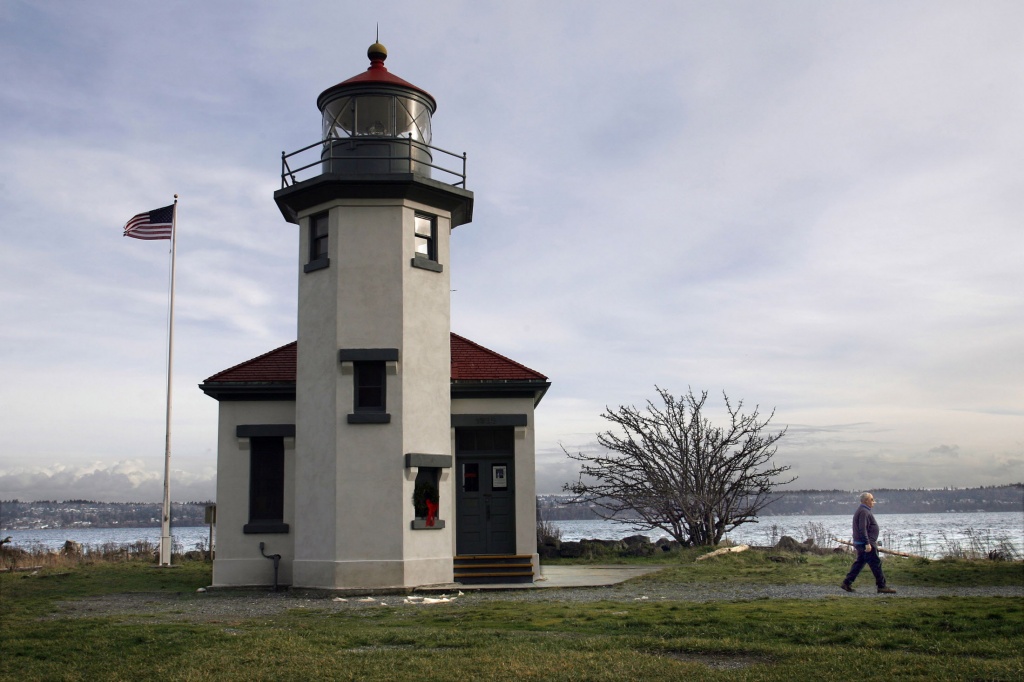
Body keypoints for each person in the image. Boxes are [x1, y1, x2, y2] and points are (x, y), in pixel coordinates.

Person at [840, 492, 896, 594]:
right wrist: (867, 543)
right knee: (876, 563)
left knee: (859, 563)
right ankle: (881, 586)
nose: (873, 502)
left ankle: (846, 583)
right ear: (866, 501)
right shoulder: (864, 512)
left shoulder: (863, 511)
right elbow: (862, 528)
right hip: (866, 543)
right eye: (871, 499)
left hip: (863, 542)